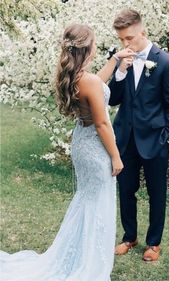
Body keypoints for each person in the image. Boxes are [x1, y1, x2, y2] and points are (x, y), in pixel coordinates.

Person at [0, 23, 133, 281]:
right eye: (94, 43)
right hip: (96, 146)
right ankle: (88, 262)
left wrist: (115, 60)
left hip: (82, 143)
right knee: (96, 203)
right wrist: (116, 156)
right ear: (88, 48)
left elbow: (99, 86)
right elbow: (103, 123)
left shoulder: (78, 77)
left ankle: (78, 253)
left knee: (87, 199)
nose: (97, 47)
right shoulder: (89, 80)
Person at [109, 9, 169, 262]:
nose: (124, 44)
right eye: (121, 39)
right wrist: (119, 71)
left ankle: (154, 243)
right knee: (126, 190)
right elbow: (113, 99)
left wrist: (168, 139)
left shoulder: (165, 62)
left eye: (129, 38)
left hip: (155, 140)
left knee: (156, 192)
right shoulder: (120, 59)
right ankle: (129, 237)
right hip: (125, 140)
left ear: (143, 32)